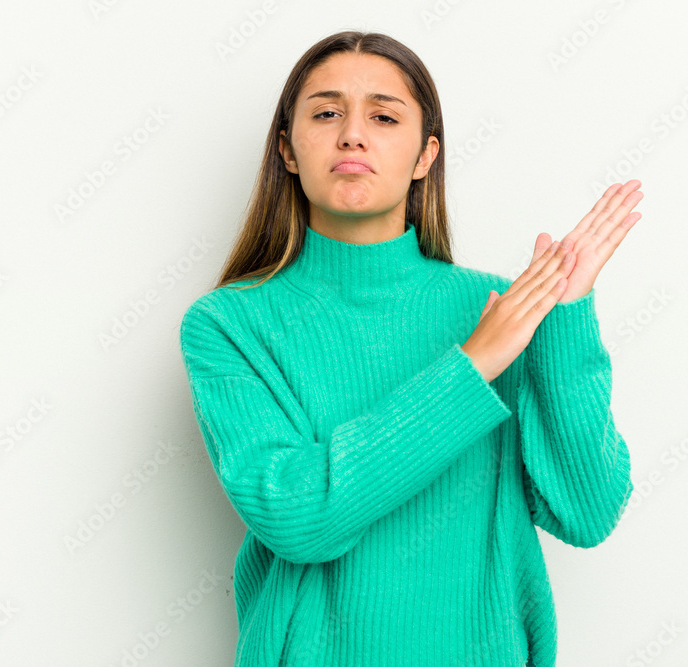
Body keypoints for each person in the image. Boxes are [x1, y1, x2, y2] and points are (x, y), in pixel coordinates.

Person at [179, 29, 643, 667]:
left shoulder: (504, 309)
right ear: (287, 150)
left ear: (427, 156)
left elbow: (586, 514)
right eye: (326, 113)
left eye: (384, 116)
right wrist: (474, 364)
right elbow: (297, 517)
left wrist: (565, 317)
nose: (352, 134)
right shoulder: (229, 322)